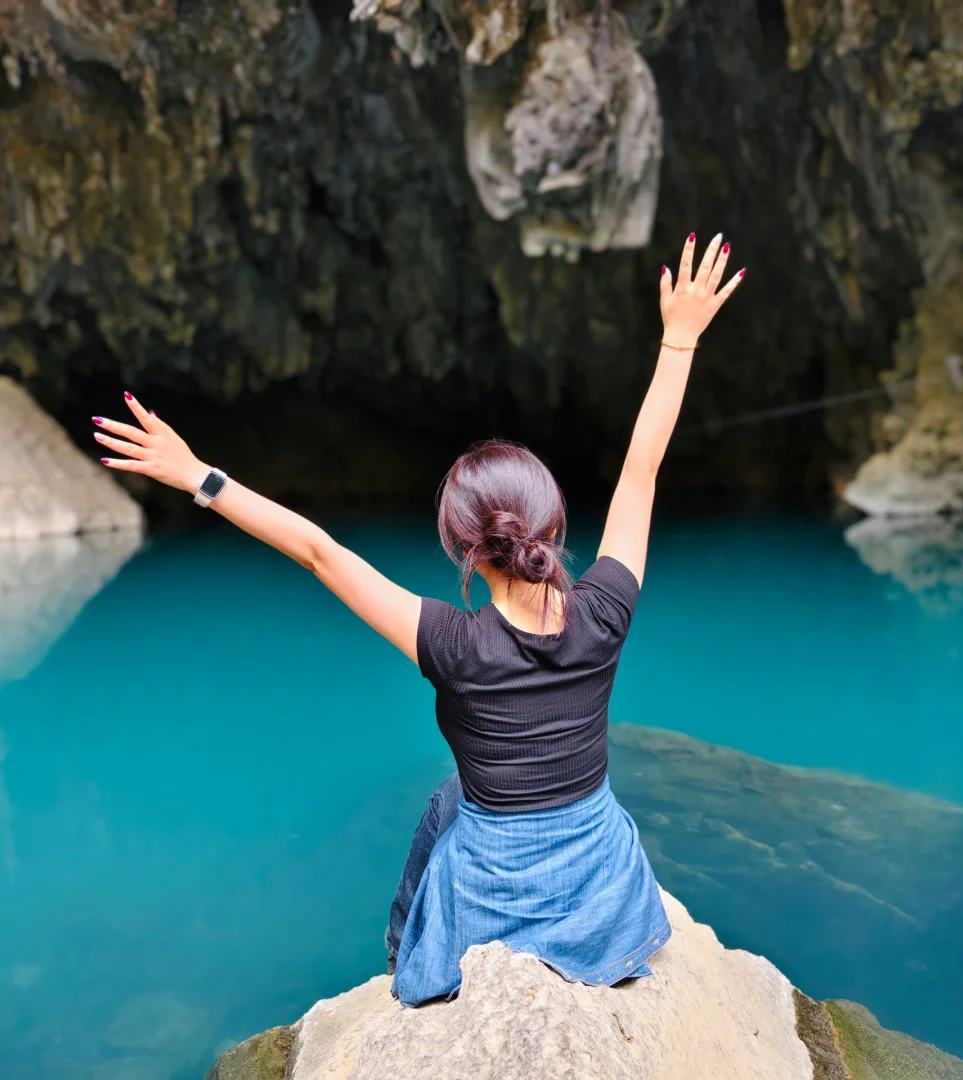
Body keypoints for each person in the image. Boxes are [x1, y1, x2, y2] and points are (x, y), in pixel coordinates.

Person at [91, 232, 744, 1005]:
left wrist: (199, 476)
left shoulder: (452, 641)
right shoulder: (604, 611)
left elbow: (320, 552)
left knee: (449, 803)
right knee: (455, 799)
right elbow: (642, 468)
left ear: (465, 547)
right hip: (598, 882)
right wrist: (679, 339)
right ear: (556, 526)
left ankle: (407, 950)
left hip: (493, 884)